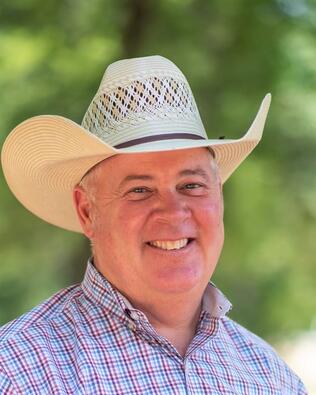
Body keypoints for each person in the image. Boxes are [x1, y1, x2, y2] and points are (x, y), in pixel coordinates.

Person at [0, 55, 307, 394]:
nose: (174, 213)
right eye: (140, 190)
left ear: (218, 197)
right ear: (87, 211)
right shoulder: (17, 372)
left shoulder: (272, 378)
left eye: (191, 185)